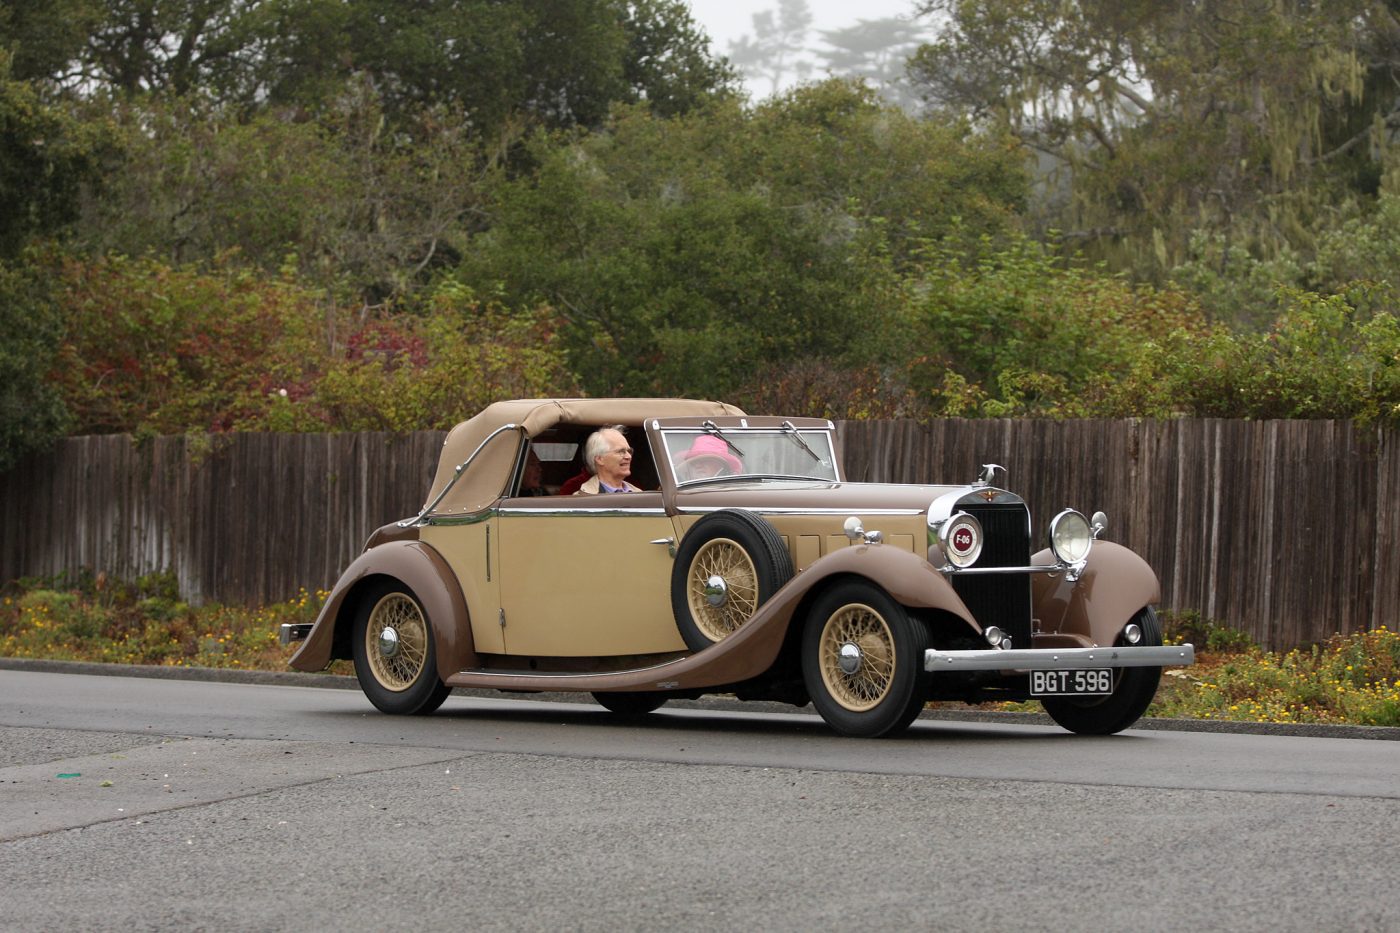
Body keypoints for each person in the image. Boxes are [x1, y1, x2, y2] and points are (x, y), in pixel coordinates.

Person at [573, 425, 641, 494]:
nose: (628, 456)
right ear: (599, 459)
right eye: (621, 451)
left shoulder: (640, 494)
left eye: (629, 451)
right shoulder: (581, 499)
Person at [675, 433, 742, 481]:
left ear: (720, 465)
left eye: (705, 460)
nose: (698, 465)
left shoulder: (730, 490)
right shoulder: (680, 489)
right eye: (694, 462)